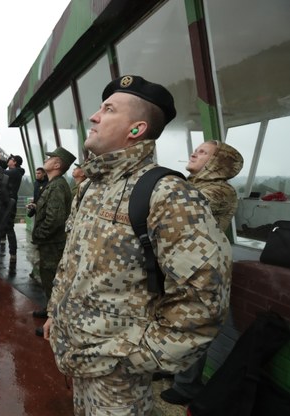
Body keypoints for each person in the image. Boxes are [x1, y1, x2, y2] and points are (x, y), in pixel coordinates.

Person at [43, 75, 233, 415]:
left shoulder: (169, 194)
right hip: (78, 356)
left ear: (136, 129)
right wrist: (57, 316)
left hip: (119, 381)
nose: (94, 117)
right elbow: (71, 262)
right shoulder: (91, 188)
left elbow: (204, 303)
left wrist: (131, 359)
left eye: (108, 110)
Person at [160, 140, 243, 405]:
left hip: (202, 272)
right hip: (182, 268)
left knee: (191, 326)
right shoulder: (193, 184)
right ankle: (169, 369)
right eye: (197, 148)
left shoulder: (220, 191)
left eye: (204, 151)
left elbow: (181, 206)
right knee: (171, 320)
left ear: (218, 162)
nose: (195, 152)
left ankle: (187, 387)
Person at [30, 147, 75, 338]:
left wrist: (38, 234)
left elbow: (54, 219)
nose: (45, 160)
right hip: (50, 243)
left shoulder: (57, 185)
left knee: (54, 282)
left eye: (50, 158)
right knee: (48, 280)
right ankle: (50, 309)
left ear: (57, 165)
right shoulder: (52, 184)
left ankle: (55, 322)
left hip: (52, 244)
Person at [0, 155, 25, 263]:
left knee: (9, 228)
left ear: (15, 162)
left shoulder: (16, 172)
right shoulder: (14, 171)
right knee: (2, 226)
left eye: (10, 159)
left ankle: (12, 253)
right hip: (6, 201)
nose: (8, 161)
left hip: (9, 203)